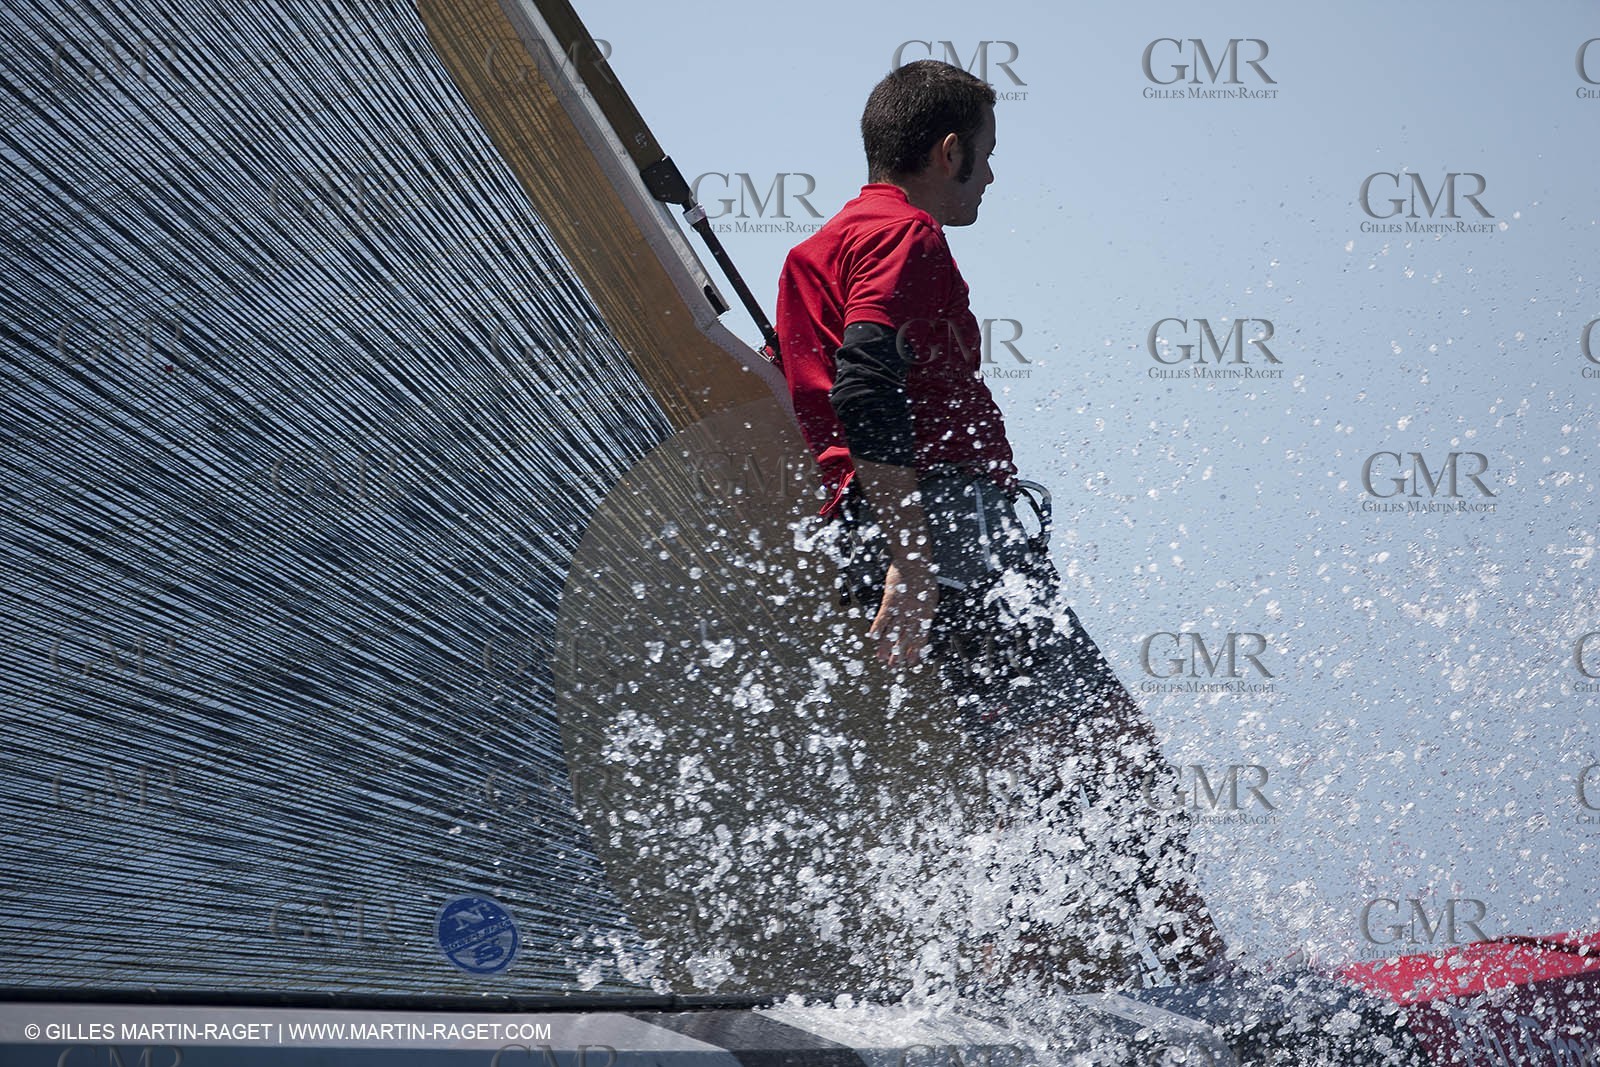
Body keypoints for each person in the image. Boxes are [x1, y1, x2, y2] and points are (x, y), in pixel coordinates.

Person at [772, 59, 1229, 989]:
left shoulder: (812, 254)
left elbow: (830, 392)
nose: (989, 179)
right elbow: (865, 382)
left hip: (883, 529)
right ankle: (1202, 975)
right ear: (948, 151)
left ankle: (1022, 967)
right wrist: (913, 560)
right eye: (984, 160)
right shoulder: (908, 239)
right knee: (1111, 754)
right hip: (942, 531)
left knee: (1023, 765)